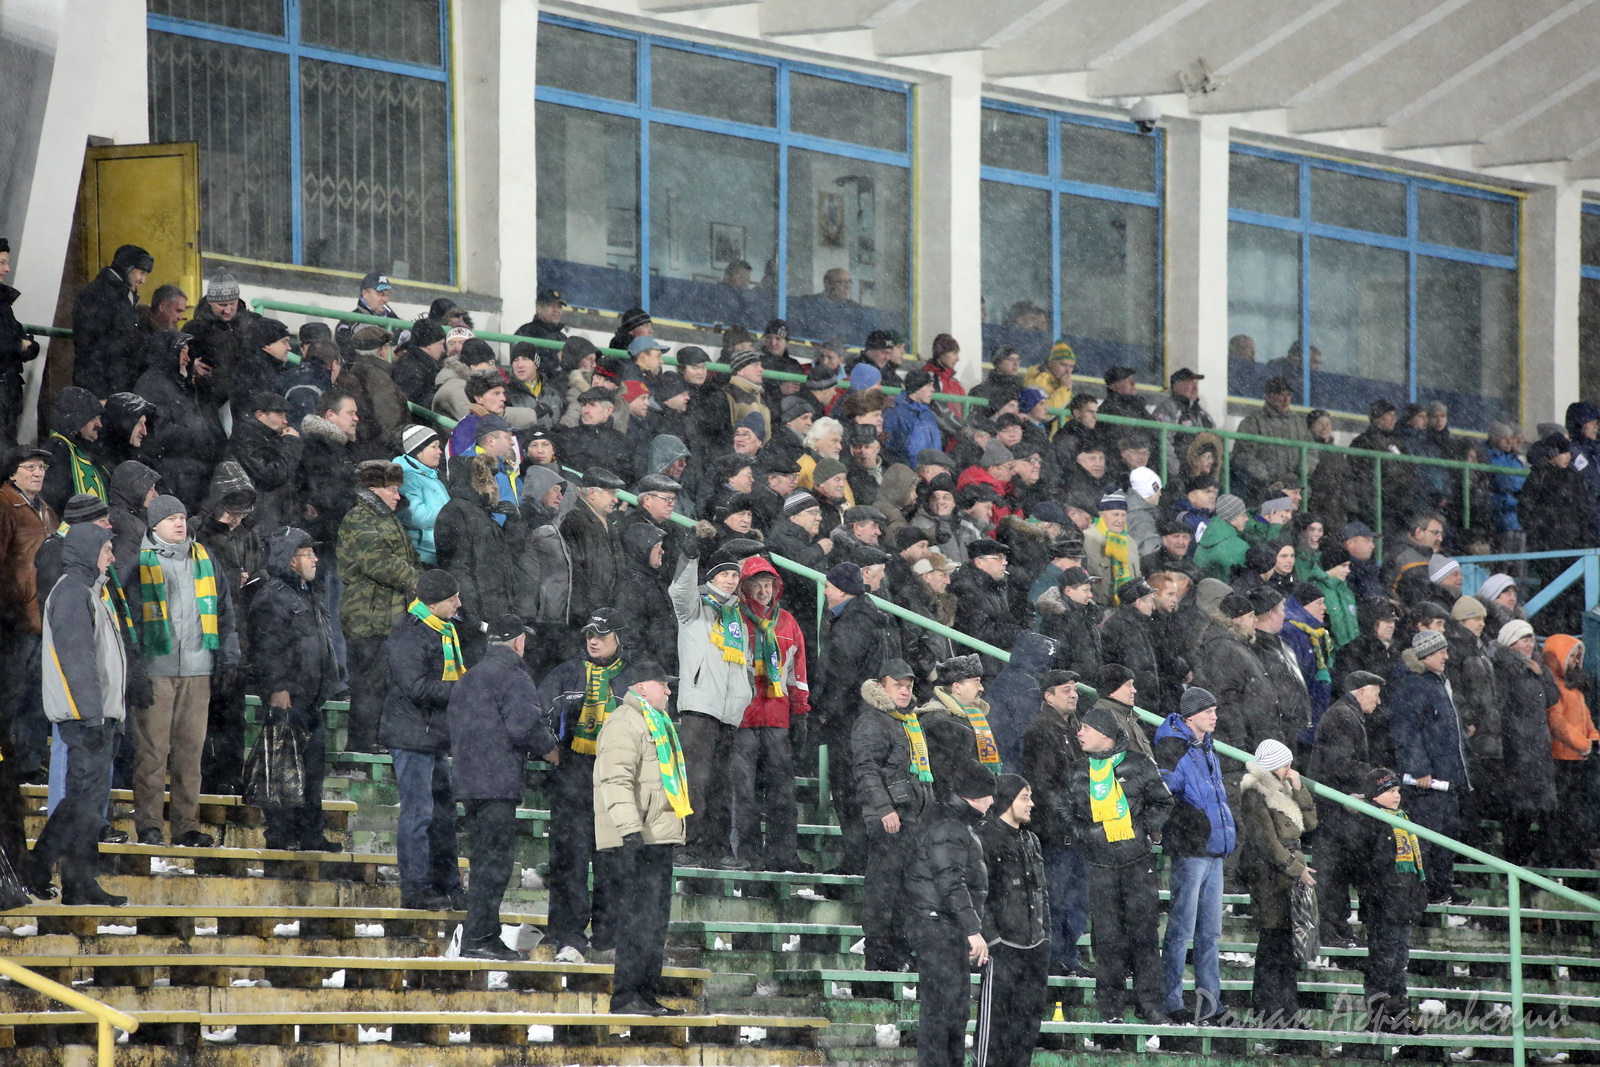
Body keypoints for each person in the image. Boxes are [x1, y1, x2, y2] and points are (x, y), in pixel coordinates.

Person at [127, 495, 239, 848]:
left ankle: (186, 826)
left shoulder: (205, 558)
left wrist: (229, 657)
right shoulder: (137, 562)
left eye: (182, 517)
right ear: (154, 524)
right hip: (156, 670)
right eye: (171, 518)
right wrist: (136, 667)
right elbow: (129, 619)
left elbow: (225, 611)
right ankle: (149, 823)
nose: (180, 523)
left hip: (197, 669)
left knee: (190, 754)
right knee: (152, 752)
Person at [448, 613, 560, 961]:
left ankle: (477, 935)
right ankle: (480, 937)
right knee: (494, 864)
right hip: (496, 782)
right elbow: (523, 725)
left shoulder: (469, 676)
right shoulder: (515, 676)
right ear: (519, 642)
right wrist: (550, 748)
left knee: (483, 860)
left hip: (469, 780)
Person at [32, 523, 126, 904]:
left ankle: (79, 881)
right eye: (106, 550)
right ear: (88, 551)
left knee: (89, 805)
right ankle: (36, 866)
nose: (112, 557)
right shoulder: (72, 592)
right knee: (81, 802)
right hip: (84, 717)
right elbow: (78, 662)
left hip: (97, 715)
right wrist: (92, 716)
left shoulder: (91, 591)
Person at [594, 659, 690, 1015]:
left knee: (653, 923)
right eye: (663, 684)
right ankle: (626, 996)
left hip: (657, 837)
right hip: (636, 839)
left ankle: (646, 995)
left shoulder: (656, 722)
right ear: (642, 687)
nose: (668, 690)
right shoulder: (624, 721)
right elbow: (615, 778)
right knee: (636, 920)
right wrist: (629, 828)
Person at [1068, 702, 1173, 1023]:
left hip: (1137, 863)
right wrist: (1086, 834)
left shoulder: (1140, 764)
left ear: (1105, 735)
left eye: (1086, 728)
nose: (1080, 733)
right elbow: (1065, 810)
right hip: (1099, 865)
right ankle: (1110, 1008)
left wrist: (1143, 829)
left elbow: (1163, 801)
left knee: (1144, 935)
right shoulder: (1078, 769)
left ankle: (1150, 1005)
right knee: (1106, 939)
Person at [539, 608, 627, 964]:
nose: (593, 641)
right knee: (569, 861)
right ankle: (568, 937)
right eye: (590, 634)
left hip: (616, 781)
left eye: (601, 635)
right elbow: (538, 712)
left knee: (613, 863)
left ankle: (608, 938)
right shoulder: (565, 673)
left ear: (619, 638)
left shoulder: (632, 678)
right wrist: (549, 746)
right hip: (573, 777)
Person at [246, 527, 343, 851]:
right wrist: (277, 688)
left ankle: (311, 834)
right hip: (289, 699)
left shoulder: (309, 593)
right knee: (283, 768)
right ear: (290, 560)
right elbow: (265, 648)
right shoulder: (272, 597)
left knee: (312, 771)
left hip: (312, 697)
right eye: (307, 554)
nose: (315, 559)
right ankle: (281, 834)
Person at [380, 569, 465, 910]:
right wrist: (463, 690)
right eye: (453, 599)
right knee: (418, 814)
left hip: (434, 737)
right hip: (411, 737)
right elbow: (416, 687)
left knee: (444, 815)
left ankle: (448, 886)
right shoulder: (408, 635)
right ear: (433, 603)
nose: (459, 604)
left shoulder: (444, 630)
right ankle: (414, 888)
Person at [667, 546, 756, 868]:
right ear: (711, 578)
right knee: (695, 781)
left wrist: (746, 693)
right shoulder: (695, 608)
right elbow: (679, 591)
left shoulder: (737, 617)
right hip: (699, 707)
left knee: (721, 784)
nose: (730, 580)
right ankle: (683, 846)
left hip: (729, 714)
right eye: (723, 574)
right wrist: (690, 556)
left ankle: (717, 849)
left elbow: (744, 663)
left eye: (734, 575)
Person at [1153, 687, 1236, 1023]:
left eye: (1215, 710)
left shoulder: (1206, 746)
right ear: (1190, 717)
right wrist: (1189, 825)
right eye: (1207, 711)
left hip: (1211, 850)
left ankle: (1210, 1005)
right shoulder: (1174, 747)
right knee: (1181, 931)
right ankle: (1171, 1001)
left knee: (1209, 934)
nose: (1214, 716)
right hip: (1191, 850)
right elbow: (1163, 793)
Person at [904, 758, 993, 1067]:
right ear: (975, 795)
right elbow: (950, 882)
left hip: (944, 926)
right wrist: (973, 930)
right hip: (936, 925)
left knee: (954, 1011)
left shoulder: (954, 824)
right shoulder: (949, 827)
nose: (992, 802)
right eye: (989, 794)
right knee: (942, 1012)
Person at [816, 562, 902, 874]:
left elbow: (841, 672)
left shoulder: (854, 622)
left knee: (848, 788)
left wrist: (825, 710)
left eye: (828, 587)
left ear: (841, 591)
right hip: (863, 717)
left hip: (850, 720)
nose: (825, 592)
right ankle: (862, 859)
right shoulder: (868, 616)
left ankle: (856, 859)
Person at [730, 555, 810, 871]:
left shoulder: (788, 621)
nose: (763, 591)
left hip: (777, 718)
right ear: (744, 587)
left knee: (782, 793)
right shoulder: (734, 617)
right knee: (744, 793)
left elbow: (798, 672)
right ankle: (747, 855)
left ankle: (783, 855)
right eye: (757, 585)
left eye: (768, 585)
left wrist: (800, 711)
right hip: (742, 717)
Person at [854, 658, 935, 972]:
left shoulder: (908, 720)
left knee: (906, 890)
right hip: (889, 817)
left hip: (912, 817)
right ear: (881, 687)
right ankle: (878, 953)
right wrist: (884, 809)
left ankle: (899, 950)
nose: (904, 691)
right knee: (883, 888)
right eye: (897, 685)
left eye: (908, 686)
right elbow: (866, 769)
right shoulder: (873, 720)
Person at [1238, 738, 1317, 1029]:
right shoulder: (1255, 793)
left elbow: (1310, 824)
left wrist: (1300, 789)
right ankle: (1272, 1012)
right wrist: (1297, 870)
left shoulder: (1283, 791)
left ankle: (1285, 1012)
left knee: (1283, 948)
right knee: (1273, 946)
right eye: (1286, 764)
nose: (1290, 769)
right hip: (1269, 879)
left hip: (1288, 876)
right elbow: (1268, 843)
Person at [1388, 628, 1471, 905]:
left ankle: (1441, 888)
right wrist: (1419, 768)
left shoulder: (1437, 682)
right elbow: (1405, 730)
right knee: (1428, 836)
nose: (1446, 656)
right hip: (1428, 782)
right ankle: (1427, 890)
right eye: (1441, 652)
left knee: (1446, 834)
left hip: (1445, 778)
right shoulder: (1413, 685)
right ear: (1426, 655)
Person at [1307, 671, 1385, 947]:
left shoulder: (1345, 714)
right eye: (1376, 694)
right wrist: (1377, 777)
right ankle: (1332, 930)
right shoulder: (1342, 716)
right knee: (1331, 872)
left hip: (1337, 809)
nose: (1378, 701)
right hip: (1334, 810)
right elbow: (1340, 765)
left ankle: (1337, 928)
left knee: (1336, 871)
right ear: (1361, 691)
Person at [1021, 670, 1089, 976]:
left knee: (1078, 901)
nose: (1073, 695)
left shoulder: (1076, 727)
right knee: (1057, 899)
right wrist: (1070, 814)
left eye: (1075, 689)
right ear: (1048, 696)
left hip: (1077, 832)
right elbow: (1043, 784)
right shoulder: (1040, 729)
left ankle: (1068, 957)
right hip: (1056, 833)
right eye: (1065, 690)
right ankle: (1056, 958)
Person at [1358, 768, 1429, 1036]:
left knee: (1399, 963)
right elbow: (1369, 867)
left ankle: (1399, 1016)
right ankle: (1378, 1017)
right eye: (1389, 791)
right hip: (1383, 905)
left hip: (1403, 904)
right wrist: (1380, 897)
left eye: (1398, 790)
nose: (1396, 795)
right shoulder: (1371, 821)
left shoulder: (1403, 820)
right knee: (1383, 962)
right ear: (1375, 796)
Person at [0, 447, 59, 775]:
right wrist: (9, 609)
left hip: (44, 619)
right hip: (15, 621)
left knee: (36, 695)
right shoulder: (4, 504)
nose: (38, 473)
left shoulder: (47, 510)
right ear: (13, 472)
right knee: (10, 694)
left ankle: (29, 763)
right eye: (30, 467)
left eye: (42, 467)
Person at [1489, 620, 1559, 868]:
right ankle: (1515, 864)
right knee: (1519, 811)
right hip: (1516, 748)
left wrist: (1542, 674)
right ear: (1511, 642)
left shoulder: (1535, 667)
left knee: (1542, 811)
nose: (1530, 644)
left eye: (1531, 639)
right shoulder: (1503, 668)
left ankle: (1533, 864)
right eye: (1524, 640)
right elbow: (1498, 706)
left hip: (1538, 748)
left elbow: (1553, 698)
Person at [1543, 633, 1600, 867]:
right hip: (1560, 759)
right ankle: (1562, 859)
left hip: (1576, 758)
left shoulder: (1574, 687)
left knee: (1574, 813)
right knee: (1564, 813)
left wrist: (1593, 738)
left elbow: (1586, 719)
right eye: (1572, 656)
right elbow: (1557, 723)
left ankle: (1573, 857)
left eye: (1578, 657)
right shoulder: (1553, 687)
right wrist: (1584, 744)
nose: (1576, 661)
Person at [73, 244, 152, 398]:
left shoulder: (121, 295)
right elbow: (91, 349)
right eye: (141, 273)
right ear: (127, 268)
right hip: (104, 386)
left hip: (116, 383)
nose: (143, 280)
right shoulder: (98, 295)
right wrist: (99, 396)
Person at [916, 654, 1001, 788]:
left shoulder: (974, 718)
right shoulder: (937, 722)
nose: (981, 688)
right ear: (957, 688)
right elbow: (944, 778)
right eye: (976, 682)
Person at [0, 238, 43, 447]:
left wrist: (26, 345)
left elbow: (22, 338)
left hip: (8, 390)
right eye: (2, 263)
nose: (7, 269)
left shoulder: (4, 302)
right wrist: (18, 345)